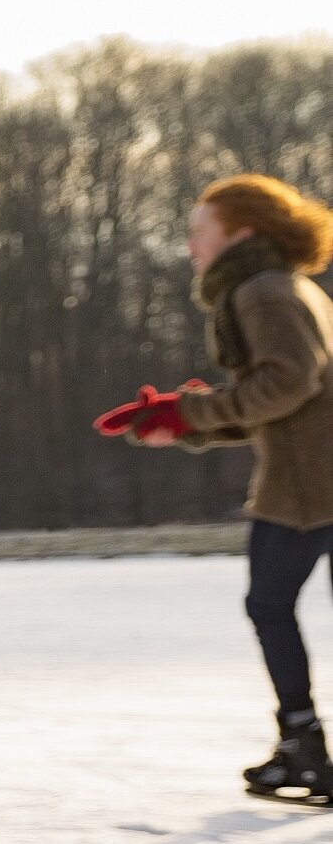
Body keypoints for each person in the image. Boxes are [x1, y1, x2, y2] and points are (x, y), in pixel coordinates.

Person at [94, 173, 333, 806]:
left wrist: (188, 411)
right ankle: (301, 746)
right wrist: (186, 426)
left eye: (200, 231)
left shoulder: (262, 293)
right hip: (305, 484)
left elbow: (290, 383)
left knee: (269, 607)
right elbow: (287, 405)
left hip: (313, 493)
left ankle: (304, 747)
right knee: (269, 607)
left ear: (242, 232)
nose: (191, 245)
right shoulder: (287, 287)